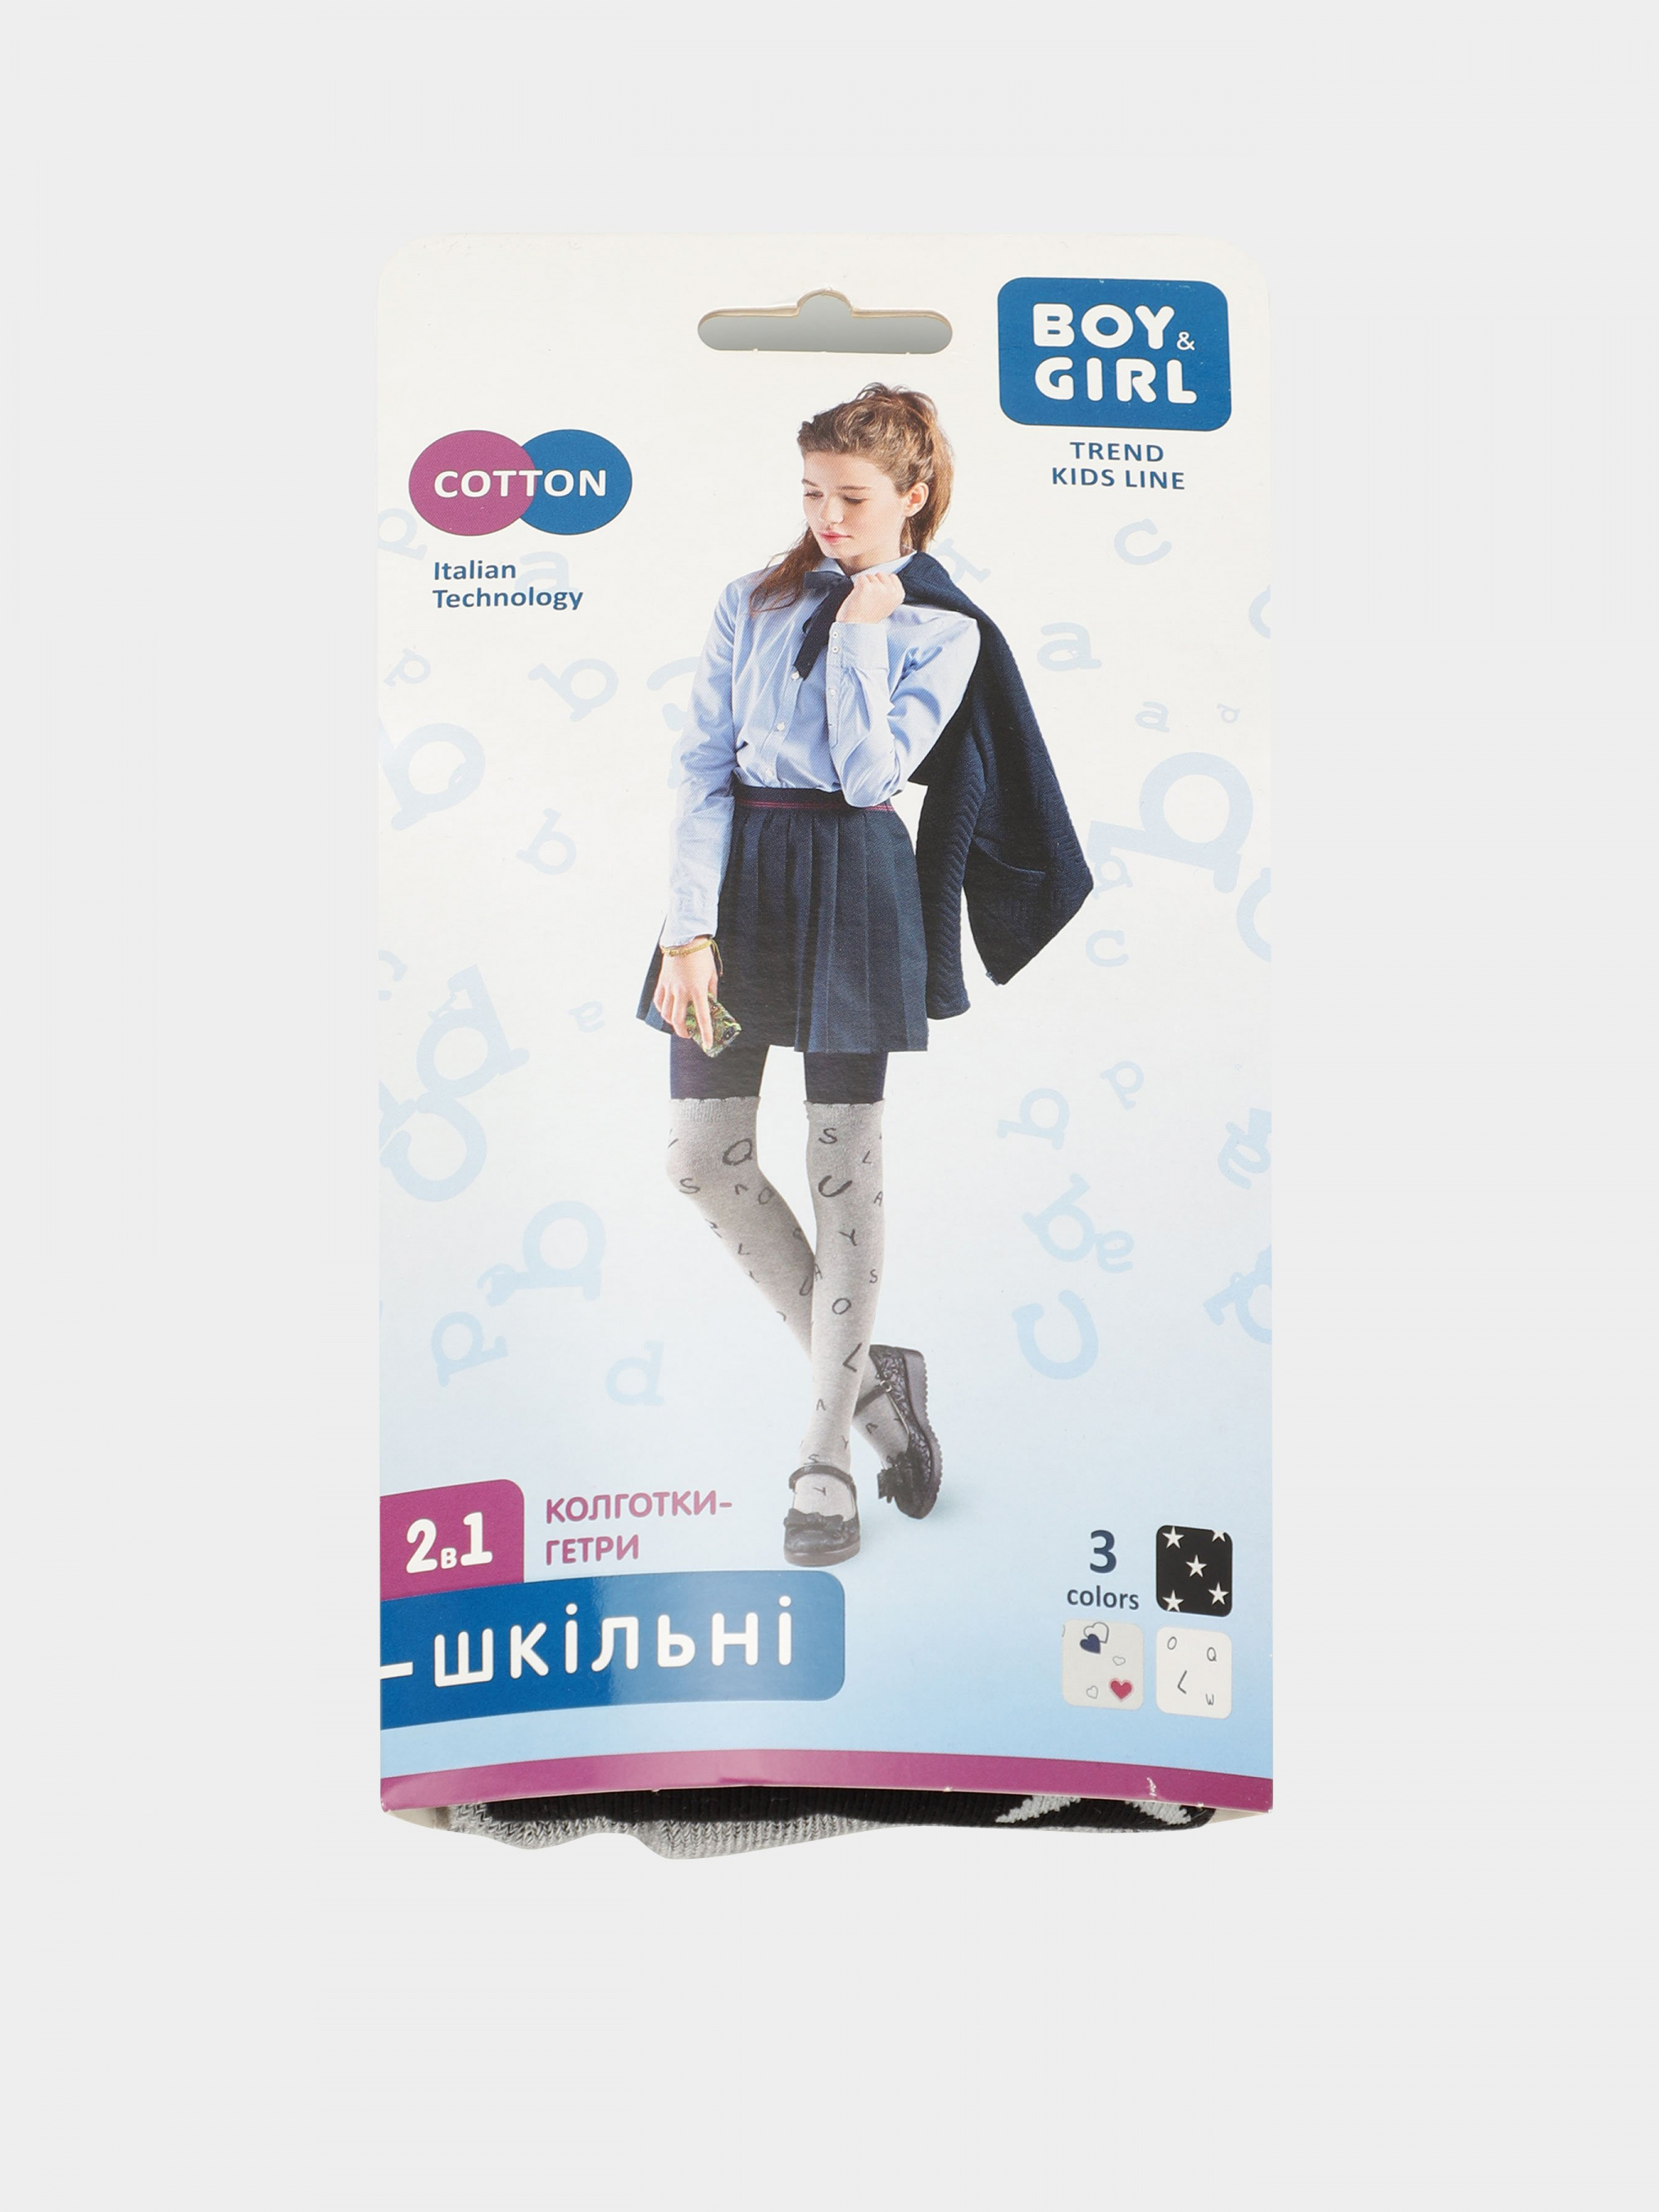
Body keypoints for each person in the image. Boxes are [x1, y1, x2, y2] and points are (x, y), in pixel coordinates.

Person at [637, 383, 1088, 1566]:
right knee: (698, 1160)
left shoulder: (943, 631)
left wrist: (861, 631)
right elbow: (700, 765)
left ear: (913, 496)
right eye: (811, 494)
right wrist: (686, 931)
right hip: (734, 888)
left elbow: (867, 775)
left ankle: (825, 1454)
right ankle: (885, 1401)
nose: (826, 519)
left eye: (851, 497)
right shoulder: (749, 599)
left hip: (854, 887)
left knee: (840, 1163)